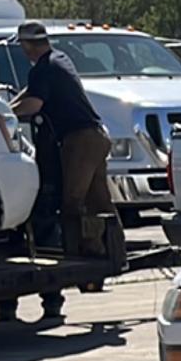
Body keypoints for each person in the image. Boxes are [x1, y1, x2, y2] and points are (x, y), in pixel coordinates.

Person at [10, 20, 114, 259]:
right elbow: (31, 92)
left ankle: (81, 251)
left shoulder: (43, 69)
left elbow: (34, 104)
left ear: (27, 46)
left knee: (72, 200)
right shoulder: (59, 59)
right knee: (99, 200)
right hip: (97, 136)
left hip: (79, 140)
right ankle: (111, 248)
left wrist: (6, 114)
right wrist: (9, 104)